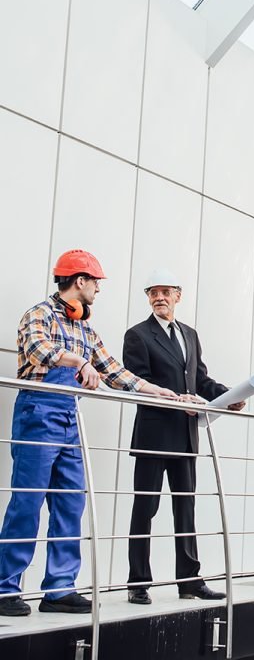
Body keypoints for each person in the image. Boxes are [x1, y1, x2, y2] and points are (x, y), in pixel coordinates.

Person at [0, 250, 178, 618]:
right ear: (79, 281)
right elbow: (38, 349)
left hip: (68, 419)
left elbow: (114, 372)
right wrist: (77, 361)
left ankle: (60, 588)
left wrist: (155, 390)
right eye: (96, 282)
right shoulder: (39, 315)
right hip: (38, 411)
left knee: (71, 503)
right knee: (27, 503)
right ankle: (5, 588)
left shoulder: (86, 330)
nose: (98, 289)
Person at [124, 269, 244, 604]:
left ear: (178, 295)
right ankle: (138, 583)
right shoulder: (137, 335)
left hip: (187, 436)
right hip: (154, 434)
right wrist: (180, 403)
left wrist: (229, 395)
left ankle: (189, 580)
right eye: (153, 293)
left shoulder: (190, 334)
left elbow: (200, 381)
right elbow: (139, 383)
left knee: (186, 510)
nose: (159, 298)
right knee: (145, 508)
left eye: (165, 292)